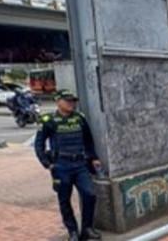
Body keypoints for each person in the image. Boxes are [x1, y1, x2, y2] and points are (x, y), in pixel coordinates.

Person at [34, 90, 101, 241]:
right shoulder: (48, 120)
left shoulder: (79, 118)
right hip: (61, 166)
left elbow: (88, 140)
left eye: (73, 101)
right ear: (58, 101)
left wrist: (94, 158)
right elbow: (39, 144)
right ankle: (73, 231)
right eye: (68, 101)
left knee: (90, 194)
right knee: (64, 200)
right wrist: (47, 164)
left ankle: (87, 228)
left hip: (80, 165)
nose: (72, 104)